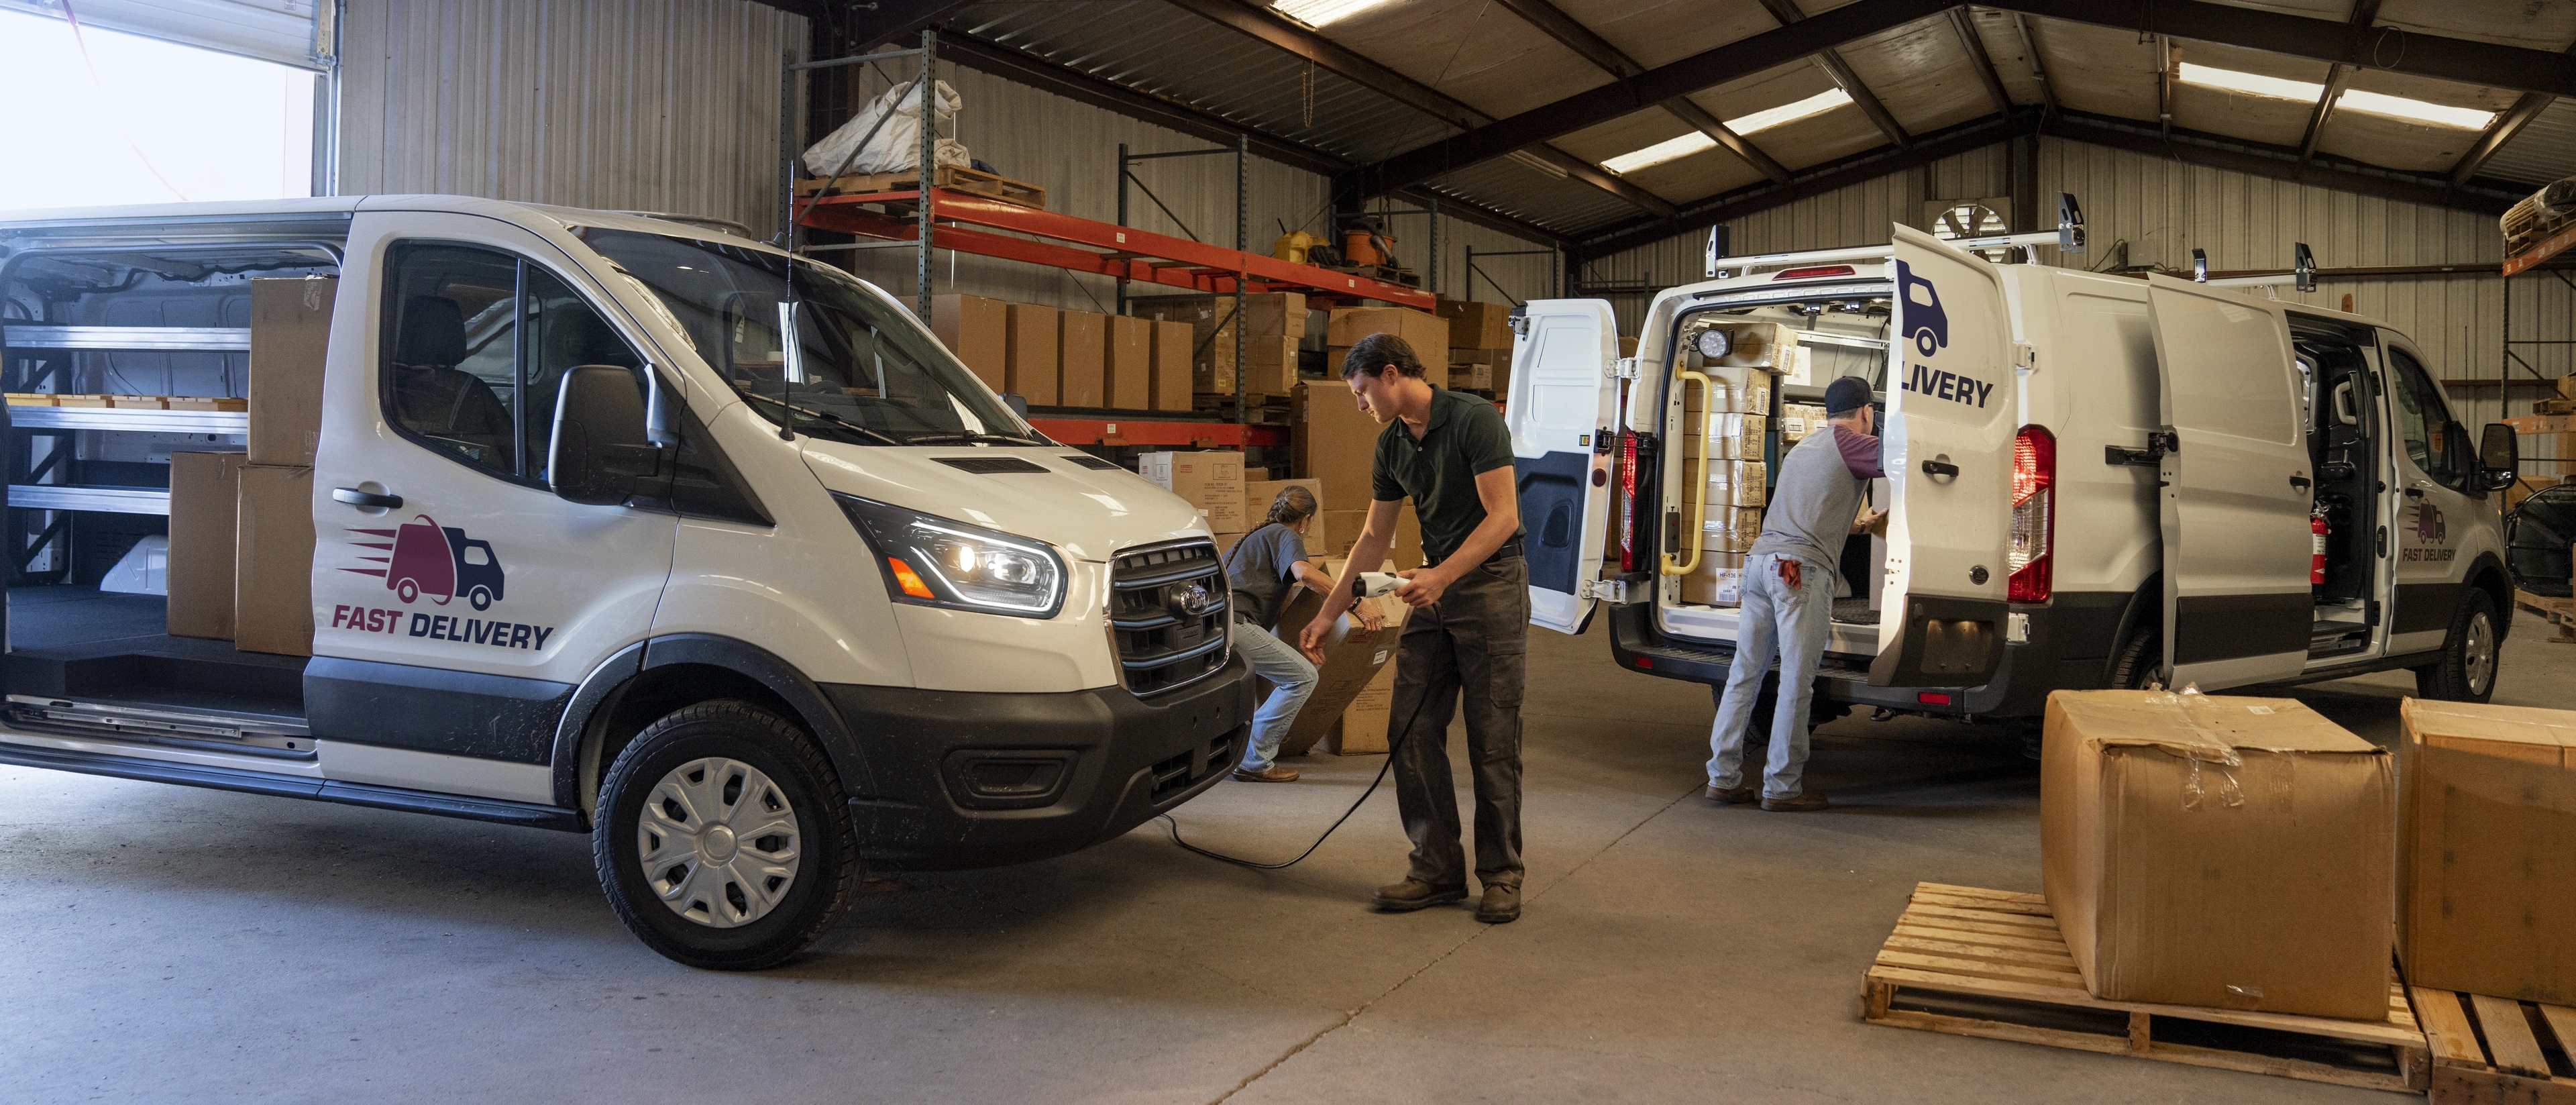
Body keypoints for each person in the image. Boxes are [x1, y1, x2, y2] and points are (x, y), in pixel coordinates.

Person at [1299, 332, 1528, 925]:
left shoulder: (1475, 420)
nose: (1360, 404)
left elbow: (1504, 516)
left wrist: (1444, 575)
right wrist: (1327, 614)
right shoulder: (1393, 445)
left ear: (1392, 373)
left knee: (1491, 735)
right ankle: (1436, 867)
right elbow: (1373, 539)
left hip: (1489, 586)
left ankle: (1501, 874)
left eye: (1362, 391)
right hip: (1434, 590)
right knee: (1411, 727)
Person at [1705, 374, 1886, 812]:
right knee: (1796, 678)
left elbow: (1813, 506)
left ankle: (1722, 777)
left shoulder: (1806, 446)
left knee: (1744, 673)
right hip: (1795, 571)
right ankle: (1782, 787)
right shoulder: (1853, 443)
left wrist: (1865, 523)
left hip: (1761, 565)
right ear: (1866, 412)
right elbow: (1908, 460)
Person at [1225, 484, 1374, 783]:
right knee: (1303, 676)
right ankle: (1255, 760)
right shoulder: (1286, 535)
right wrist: (1354, 602)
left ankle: (1242, 755)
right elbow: (1303, 573)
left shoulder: (1253, 538)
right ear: (1306, 520)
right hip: (1237, 625)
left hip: (1217, 627)